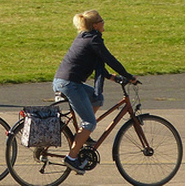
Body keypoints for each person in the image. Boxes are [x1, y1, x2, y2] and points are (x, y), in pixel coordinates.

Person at [54, 10, 136, 175]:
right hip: (70, 84)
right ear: (95, 25)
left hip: (64, 82)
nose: (104, 23)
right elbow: (110, 59)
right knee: (90, 122)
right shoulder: (93, 40)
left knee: (97, 98)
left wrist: (114, 77)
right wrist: (129, 76)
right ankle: (71, 157)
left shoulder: (85, 37)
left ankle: (83, 135)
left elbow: (96, 63)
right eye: (101, 20)